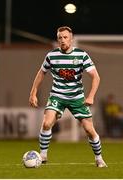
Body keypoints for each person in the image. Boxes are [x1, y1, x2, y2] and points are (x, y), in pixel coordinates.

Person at [29, 26, 107, 168]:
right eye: (60, 37)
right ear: (57, 39)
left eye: (65, 37)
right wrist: (33, 93)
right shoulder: (51, 56)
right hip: (57, 96)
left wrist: (91, 96)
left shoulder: (82, 55)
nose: (63, 40)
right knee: (46, 123)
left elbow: (96, 77)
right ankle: (43, 155)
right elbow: (41, 73)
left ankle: (99, 158)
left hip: (77, 97)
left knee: (89, 130)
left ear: (71, 39)